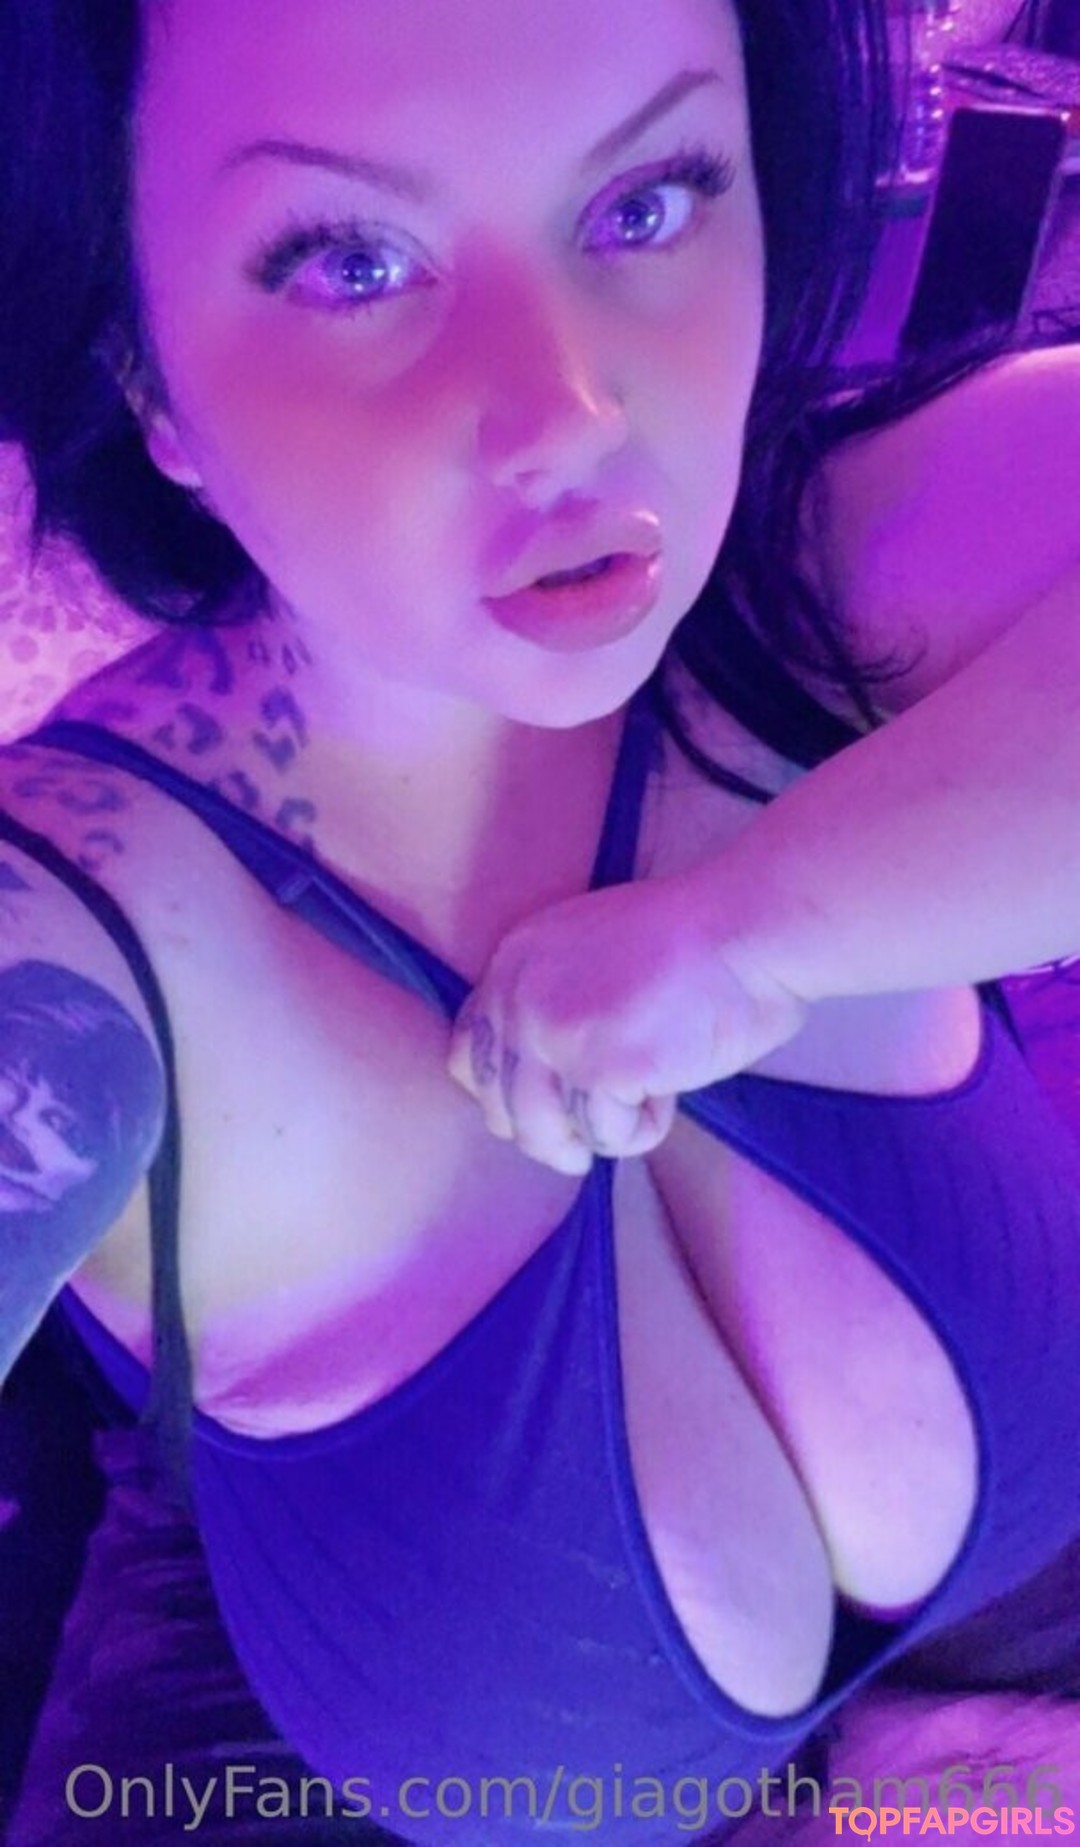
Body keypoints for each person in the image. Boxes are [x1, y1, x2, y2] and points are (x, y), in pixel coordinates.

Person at [0, 4, 1079, 1846]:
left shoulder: (816, 581)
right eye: (351, 261)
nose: (570, 411)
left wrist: (756, 934)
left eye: (648, 200)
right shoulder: (89, 915)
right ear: (144, 371)